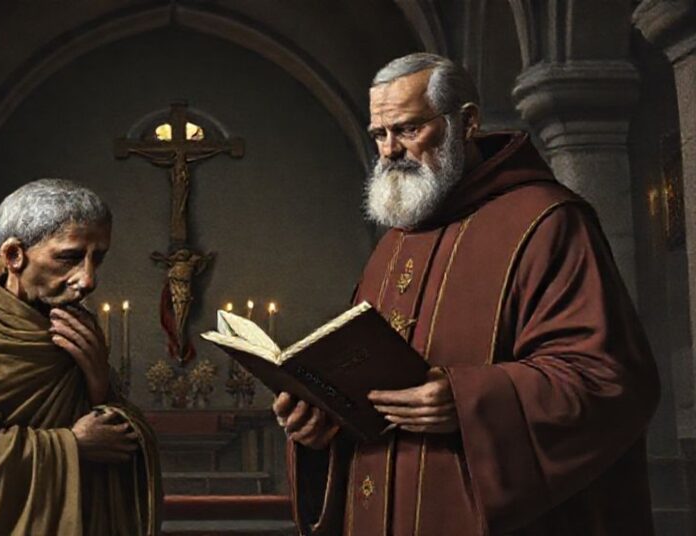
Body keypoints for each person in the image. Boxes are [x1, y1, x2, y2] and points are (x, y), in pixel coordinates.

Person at [273, 53, 659, 535]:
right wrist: (321, 425)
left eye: (408, 129)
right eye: (379, 134)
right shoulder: (393, 244)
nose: (389, 150)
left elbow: (610, 380)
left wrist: (468, 401)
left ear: (468, 122)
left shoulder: (547, 223)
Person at [0, 178, 161, 535]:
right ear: (13, 255)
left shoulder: (73, 323)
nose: (88, 279)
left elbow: (116, 438)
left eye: (97, 258)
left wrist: (98, 383)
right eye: (69, 257)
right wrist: (72, 446)